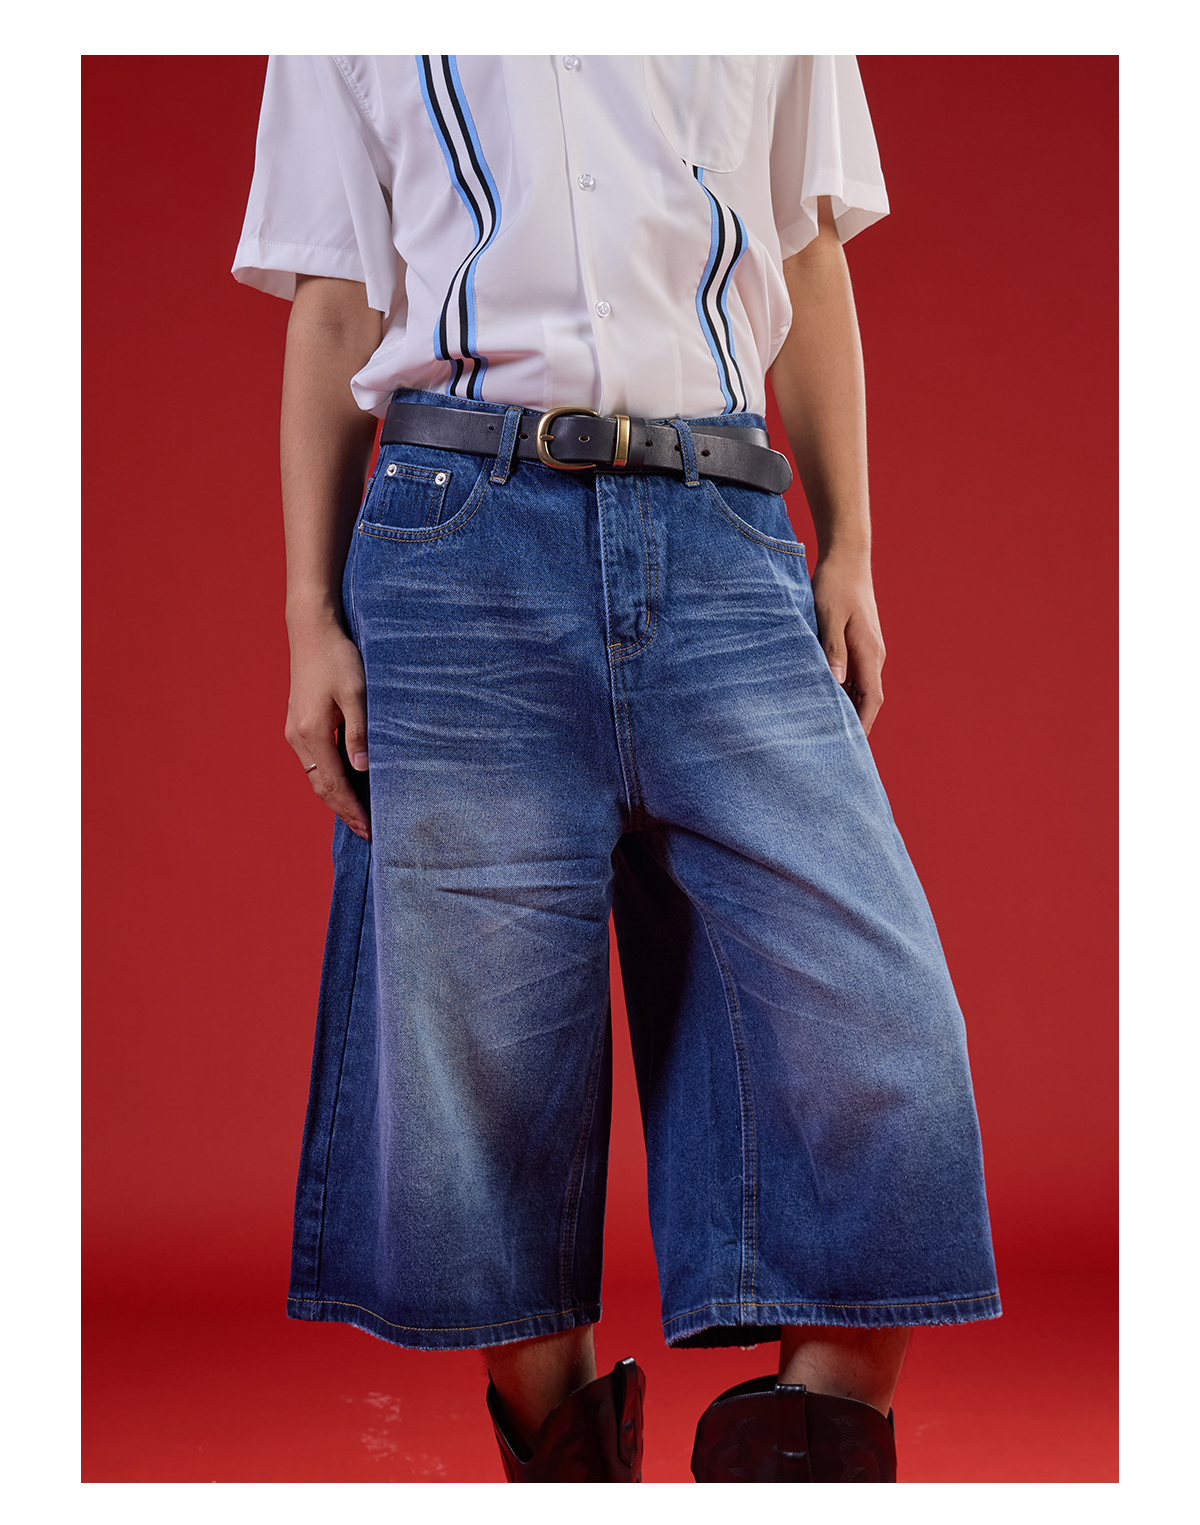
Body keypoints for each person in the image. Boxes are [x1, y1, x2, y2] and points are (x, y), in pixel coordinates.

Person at [233, 54, 1000, 1484]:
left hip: (723, 523)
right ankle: (569, 1465)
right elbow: (338, 299)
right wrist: (306, 614)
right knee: (477, 1055)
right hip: (456, 533)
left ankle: (804, 1454)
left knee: (881, 1022)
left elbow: (803, 253)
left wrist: (850, 545)